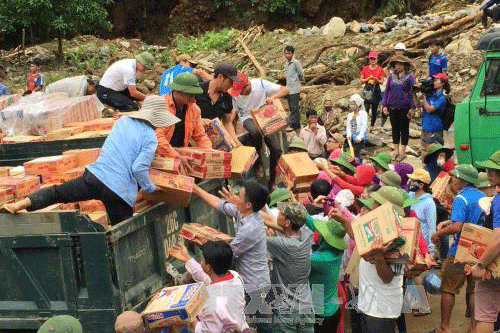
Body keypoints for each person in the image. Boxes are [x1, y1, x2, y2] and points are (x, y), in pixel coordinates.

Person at [2, 95, 180, 225]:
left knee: (58, 192)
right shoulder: (150, 137)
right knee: (123, 229)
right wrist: (151, 187)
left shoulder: (123, 122)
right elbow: (139, 169)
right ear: (158, 119)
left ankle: (20, 204)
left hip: (95, 177)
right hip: (118, 191)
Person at [192, 182, 272, 333]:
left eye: (239, 195)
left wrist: (206, 246)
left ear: (248, 204)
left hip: (254, 286)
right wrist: (196, 189)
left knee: (258, 327)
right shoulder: (243, 212)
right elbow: (219, 204)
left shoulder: (251, 227)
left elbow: (227, 255)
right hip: (250, 282)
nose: (235, 198)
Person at [430, 164, 485, 333]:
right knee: (474, 290)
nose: (452, 180)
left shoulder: (461, 199)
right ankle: (473, 328)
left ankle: (445, 327)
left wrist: (439, 233)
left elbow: (457, 226)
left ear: (462, 180)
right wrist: (449, 222)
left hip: (460, 251)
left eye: (455, 177)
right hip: (478, 250)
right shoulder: (482, 196)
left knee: (448, 289)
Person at [170, 241, 249, 333]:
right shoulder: (235, 278)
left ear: (208, 267)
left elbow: (206, 331)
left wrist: (190, 315)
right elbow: (207, 278)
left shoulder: (211, 301)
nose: (200, 262)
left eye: (201, 260)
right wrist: (188, 259)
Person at [230, 71, 288, 189]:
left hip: (263, 116)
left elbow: (285, 89)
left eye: (242, 91)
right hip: (247, 116)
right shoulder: (235, 96)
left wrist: (272, 97)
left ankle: (272, 179)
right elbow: (234, 114)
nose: (240, 94)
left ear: (247, 85)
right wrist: (233, 136)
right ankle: (258, 159)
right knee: (255, 132)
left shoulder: (260, 84)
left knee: (276, 149)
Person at [264, 202, 315, 332]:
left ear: (287, 222)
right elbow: (274, 223)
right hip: (306, 307)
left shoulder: (282, 244)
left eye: (281, 214)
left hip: (286, 311)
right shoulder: (307, 235)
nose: (278, 215)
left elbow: (256, 236)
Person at [469, 150, 500, 333]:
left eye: (493, 170)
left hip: (494, 270)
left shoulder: (498, 201)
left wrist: (481, 264)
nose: (488, 173)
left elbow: (498, 237)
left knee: (485, 315)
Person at [155, 72, 212, 168]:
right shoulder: (161, 106)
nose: (194, 99)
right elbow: (158, 138)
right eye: (191, 95)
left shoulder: (194, 109)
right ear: (180, 93)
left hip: (180, 153)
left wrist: (209, 153)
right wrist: (175, 156)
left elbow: (200, 136)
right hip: (159, 156)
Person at [306, 214, 347, 333]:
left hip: (322, 315)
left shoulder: (320, 259)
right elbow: (313, 223)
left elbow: (295, 258)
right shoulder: (337, 251)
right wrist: (303, 214)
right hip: (332, 309)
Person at [196, 62, 242, 148]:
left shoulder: (227, 98)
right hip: (195, 137)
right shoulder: (198, 90)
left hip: (213, 139)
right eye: (230, 82)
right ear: (220, 77)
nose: (232, 85)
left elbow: (227, 122)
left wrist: (235, 139)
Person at [382, 55, 416, 162]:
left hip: (405, 107)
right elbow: (387, 91)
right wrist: (385, 105)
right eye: (396, 64)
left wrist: (413, 107)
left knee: (404, 129)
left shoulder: (410, 77)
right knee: (395, 128)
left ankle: (402, 152)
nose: (398, 66)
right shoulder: (391, 77)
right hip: (392, 106)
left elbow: (413, 92)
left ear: (405, 65)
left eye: (401, 64)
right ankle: (396, 150)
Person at [408, 168, 437, 256]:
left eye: (413, 181)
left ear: (421, 185)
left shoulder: (429, 203)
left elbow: (431, 227)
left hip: (421, 246)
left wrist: (430, 251)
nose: (410, 183)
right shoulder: (409, 196)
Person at [417, 73, 450, 145]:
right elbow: (418, 105)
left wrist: (424, 98)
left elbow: (429, 109)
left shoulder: (442, 98)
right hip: (425, 127)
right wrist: (413, 93)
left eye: (436, 80)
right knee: (424, 152)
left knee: (434, 152)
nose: (433, 82)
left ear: (442, 84)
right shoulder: (431, 95)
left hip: (435, 129)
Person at [361, 51, 386, 128]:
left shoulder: (380, 69)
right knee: (366, 107)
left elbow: (382, 81)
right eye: (371, 59)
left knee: (374, 108)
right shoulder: (365, 68)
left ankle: (372, 125)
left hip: (376, 88)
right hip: (368, 87)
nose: (372, 60)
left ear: (377, 59)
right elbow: (361, 80)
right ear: (369, 59)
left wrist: (376, 80)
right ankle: (365, 124)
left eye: (374, 59)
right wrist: (368, 79)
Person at [284, 45, 304, 130]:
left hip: (295, 88)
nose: (287, 55)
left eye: (289, 53)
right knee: (291, 107)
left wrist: (298, 81)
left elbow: (301, 73)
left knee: (295, 107)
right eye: (286, 53)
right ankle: (293, 122)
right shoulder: (286, 64)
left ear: (292, 54)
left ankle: (295, 125)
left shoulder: (295, 62)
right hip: (288, 88)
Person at [346, 94, 368, 163]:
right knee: (348, 148)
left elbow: (364, 126)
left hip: (360, 136)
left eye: (354, 104)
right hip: (352, 135)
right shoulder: (350, 115)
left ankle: (358, 162)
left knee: (358, 150)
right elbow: (348, 126)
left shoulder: (363, 114)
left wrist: (360, 137)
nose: (352, 106)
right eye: (351, 104)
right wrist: (349, 134)